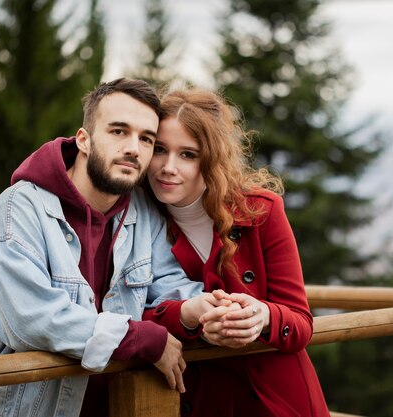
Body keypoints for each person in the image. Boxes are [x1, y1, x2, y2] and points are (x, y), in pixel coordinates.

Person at [0, 78, 218, 417]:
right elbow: (32, 319)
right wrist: (139, 338)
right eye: (118, 132)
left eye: (146, 138)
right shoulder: (18, 209)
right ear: (83, 140)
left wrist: (210, 308)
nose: (134, 148)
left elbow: (169, 288)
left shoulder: (143, 212)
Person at [142, 88, 331, 417]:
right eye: (160, 149)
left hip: (276, 398)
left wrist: (263, 316)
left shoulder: (261, 211)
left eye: (188, 154)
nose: (167, 167)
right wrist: (189, 314)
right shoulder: (136, 219)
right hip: (202, 399)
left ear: (211, 157)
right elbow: (126, 313)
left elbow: (301, 323)